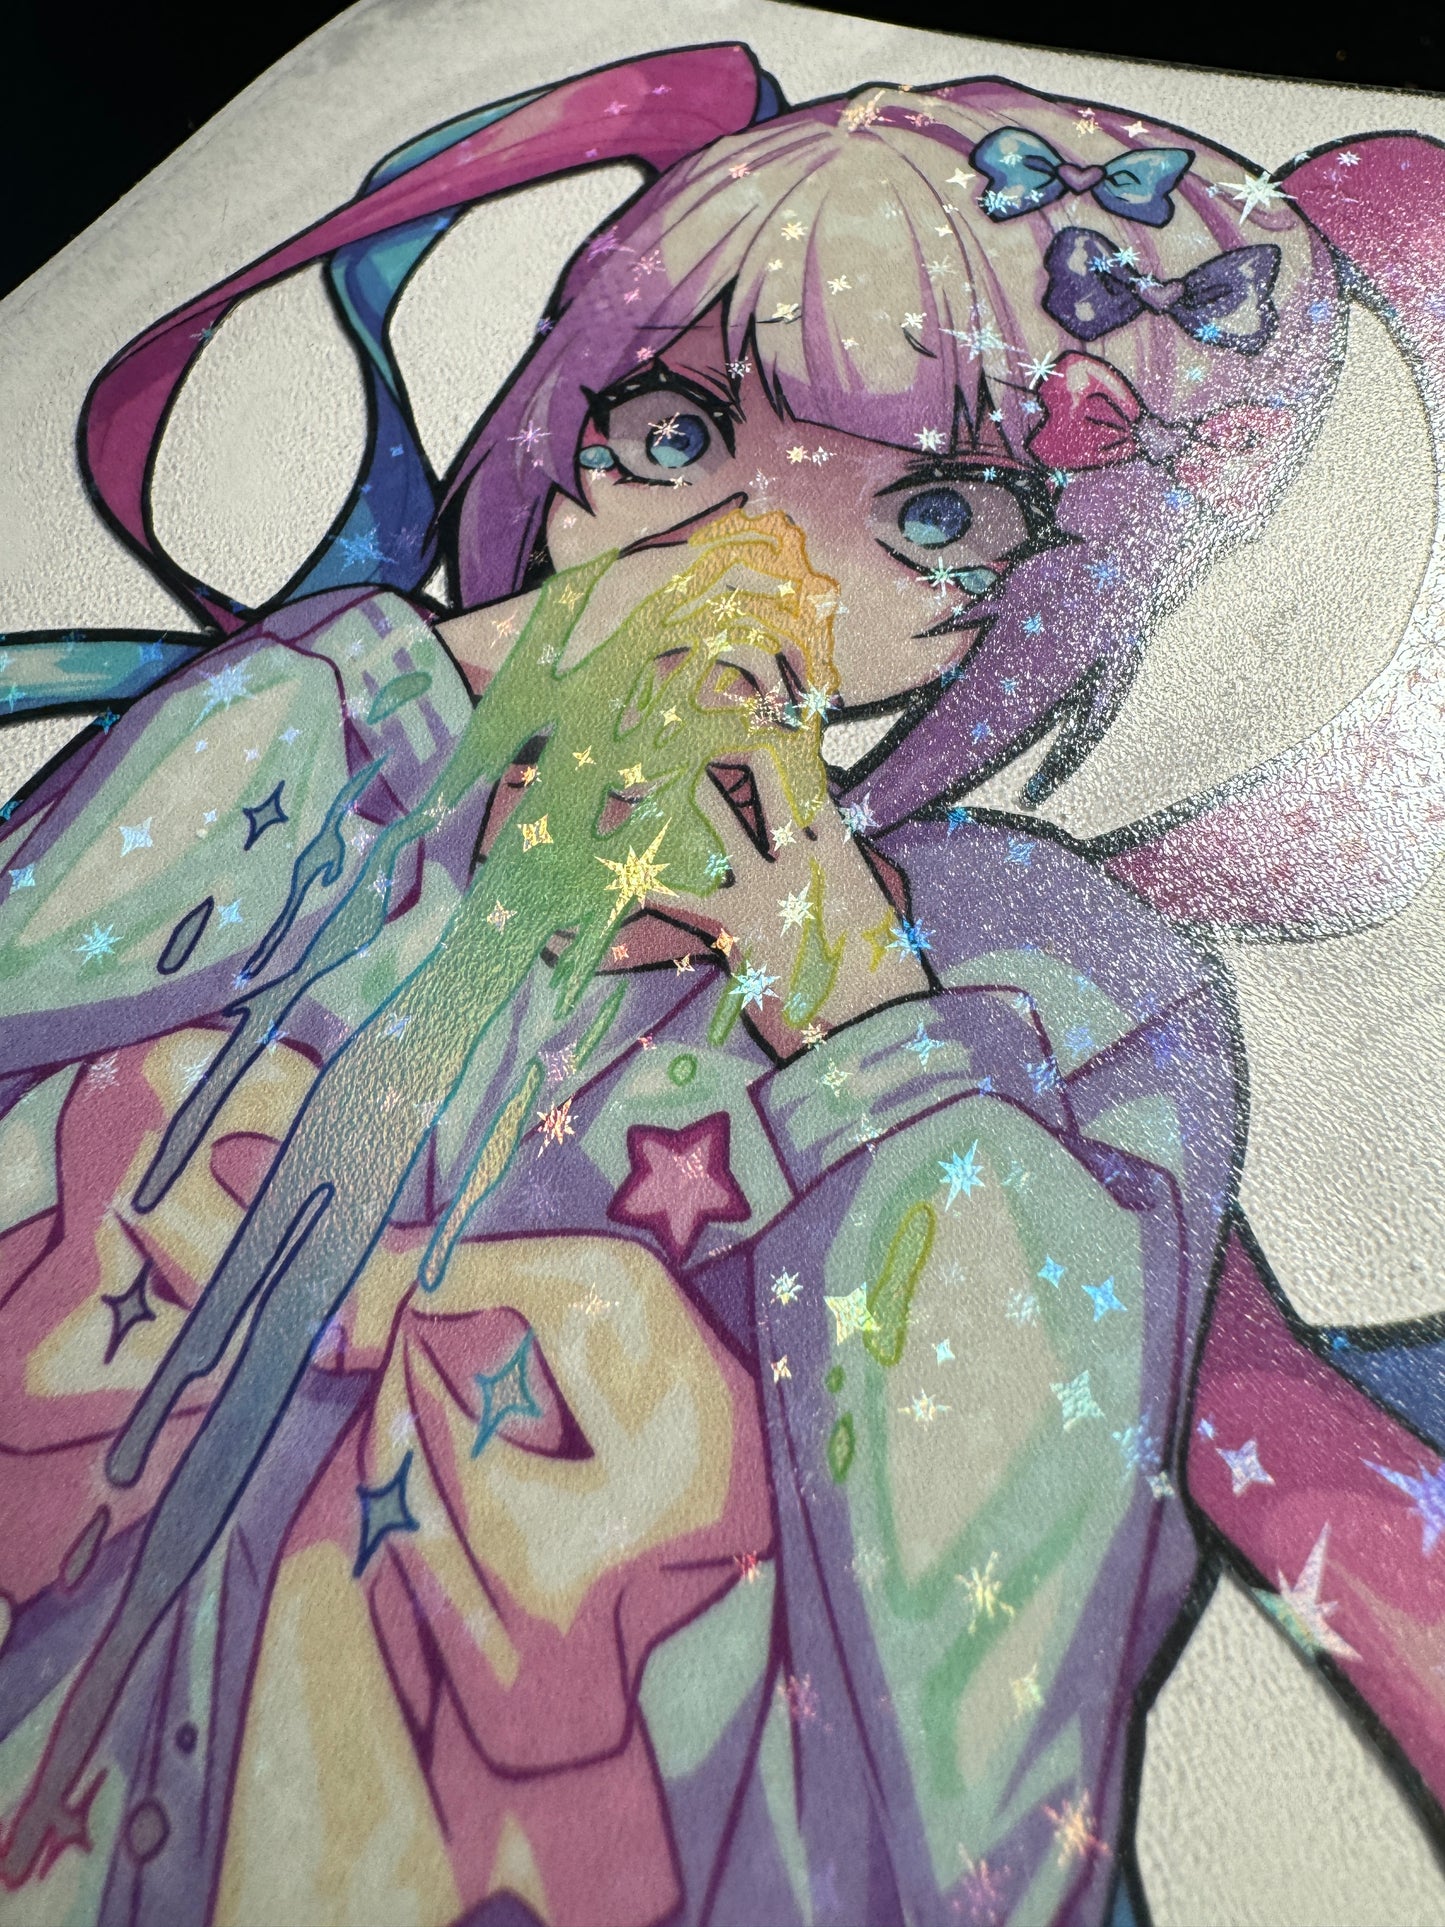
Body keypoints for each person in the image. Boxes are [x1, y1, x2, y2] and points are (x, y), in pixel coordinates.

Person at [1, 45, 1442, 1927]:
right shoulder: (353, 737)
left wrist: (847, 1005)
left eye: (932, 516)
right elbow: (42, 975)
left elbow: (1008, 1588)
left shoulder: (1035, 975)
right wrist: (423, 682)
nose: (747, 549)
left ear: (1048, 589)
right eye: (674, 434)